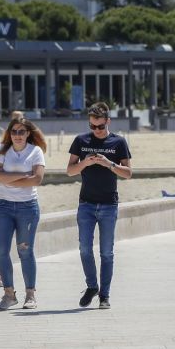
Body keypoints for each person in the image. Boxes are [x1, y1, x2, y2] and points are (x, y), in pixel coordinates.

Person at [66, 102, 133, 310]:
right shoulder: (80, 140)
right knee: (85, 249)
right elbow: (69, 171)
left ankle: (105, 295)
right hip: (86, 204)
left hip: (108, 205)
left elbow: (128, 173)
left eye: (100, 127)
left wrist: (108, 164)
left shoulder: (119, 142)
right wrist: (85, 163)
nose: (96, 131)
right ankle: (92, 286)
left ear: (108, 122)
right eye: (92, 126)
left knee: (106, 252)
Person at [0, 118, 47, 310]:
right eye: (14, 131)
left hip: (27, 207)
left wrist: (8, 179)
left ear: (28, 133)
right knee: (1, 251)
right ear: (10, 133)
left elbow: (37, 179)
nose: (17, 135)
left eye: (21, 131)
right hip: (4, 207)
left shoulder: (35, 151)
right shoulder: (1, 149)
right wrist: (23, 176)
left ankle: (30, 295)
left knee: (25, 250)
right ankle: (9, 294)